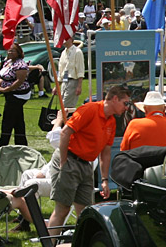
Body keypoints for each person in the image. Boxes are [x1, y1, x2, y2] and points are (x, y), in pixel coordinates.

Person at [47, 86, 132, 229]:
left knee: (86, 212)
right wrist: (63, 161)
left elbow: (105, 152)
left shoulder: (111, 121)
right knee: (62, 209)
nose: (126, 108)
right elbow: (65, 132)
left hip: (86, 165)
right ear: (115, 99)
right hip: (71, 159)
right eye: (125, 103)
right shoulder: (90, 109)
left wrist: (105, 179)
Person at [0, 44, 32, 146]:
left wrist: (7, 89)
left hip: (18, 95)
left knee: (8, 120)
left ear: (18, 53)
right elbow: (3, 77)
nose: (10, 53)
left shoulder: (20, 65)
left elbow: (19, 81)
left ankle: (3, 143)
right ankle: (21, 144)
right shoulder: (8, 62)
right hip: (9, 94)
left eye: (13, 51)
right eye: (9, 51)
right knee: (18, 120)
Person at [57, 37, 85, 110]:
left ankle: (67, 120)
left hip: (73, 81)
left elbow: (80, 70)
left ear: (71, 40)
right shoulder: (63, 52)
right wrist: (57, 86)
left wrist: (79, 86)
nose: (63, 41)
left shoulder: (77, 52)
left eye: (66, 39)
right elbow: (61, 70)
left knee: (67, 106)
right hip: (64, 81)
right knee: (63, 106)